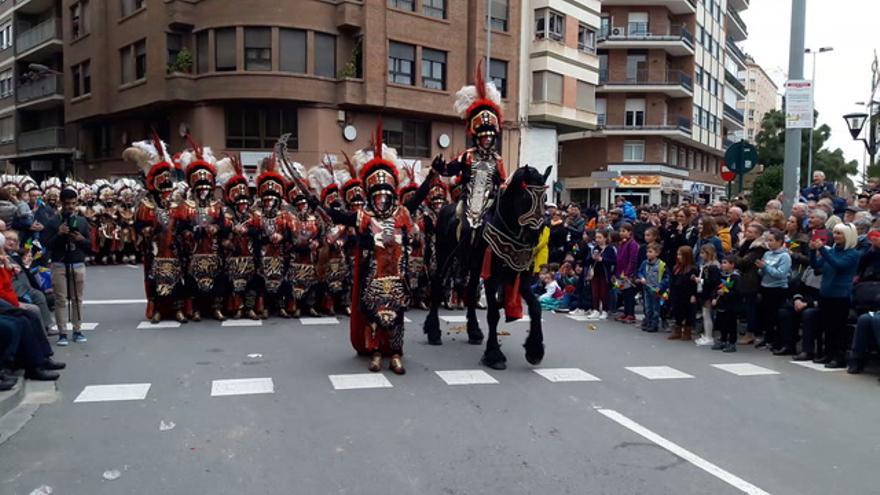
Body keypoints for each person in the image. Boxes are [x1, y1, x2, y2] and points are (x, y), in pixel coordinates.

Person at [177, 137, 226, 322]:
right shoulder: (187, 205)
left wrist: (216, 228)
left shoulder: (216, 206)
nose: (204, 191)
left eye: (207, 188)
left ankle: (216, 308)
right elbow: (181, 227)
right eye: (201, 188)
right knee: (193, 280)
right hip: (194, 249)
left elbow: (223, 225)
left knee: (216, 278)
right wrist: (189, 232)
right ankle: (196, 309)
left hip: (212, 248)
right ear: (195, 189)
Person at [43, 188, 90, 346]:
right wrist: (59, 233)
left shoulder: (82, 221)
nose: (70, 206)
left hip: (77, 263)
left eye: (73, 203)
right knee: (60, 299)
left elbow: (90, 246)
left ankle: (77, 330)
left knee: (77, 299)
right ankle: (63, 333)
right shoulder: (53, 221)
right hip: (59, 264)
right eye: (67, 203)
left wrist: (81, 239)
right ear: (61, 203)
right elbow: (47, 245)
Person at [810, 222, 859, 368]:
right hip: (826, 292)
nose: (836, 236)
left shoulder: (853, 254)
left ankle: (839, 356)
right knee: (827, 326)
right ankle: (828, 353)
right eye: (835, 233)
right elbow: (816, 266)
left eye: (840, 233)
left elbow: (839, 265)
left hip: (841, 295)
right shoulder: (831, 251)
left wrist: (823, 250)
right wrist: (813, 251)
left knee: (838, 327)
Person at [755, 228, 792, 351]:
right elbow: (762, 272)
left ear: (780, 241)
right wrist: (761, 269)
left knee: (776, 316)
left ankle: (777, 341)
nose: (769, 243)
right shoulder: (767, 254)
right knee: (767, 316)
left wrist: (765, 267)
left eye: (771, 240)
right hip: (766, 287)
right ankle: (768, 337)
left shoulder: (784, 256)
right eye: (767, 241)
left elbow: (780, 274)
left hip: (778, 289)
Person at [733, 223, 767, 345]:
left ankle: (750, 333)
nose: (747, 233)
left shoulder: (759, 248)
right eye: (747, 231)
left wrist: (736, 254)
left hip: (751, 280)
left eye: (751, 232)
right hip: (744, 278)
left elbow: (743, 262)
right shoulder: (747, 244)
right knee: (746, 307)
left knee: (750, 308)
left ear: (758, 235)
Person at [668, 246, 699, 341]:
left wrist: (694, 295)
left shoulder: (693, 269)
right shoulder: (676, 268)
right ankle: (677, 330)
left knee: (688, 312)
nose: (678, 257)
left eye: (680, 255)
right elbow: (672, 280)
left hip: (688, 294)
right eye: (678, 254)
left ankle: (687, 331)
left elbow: (694, 284)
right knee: (677, 311)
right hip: (677, 293)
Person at [711, 255, 740, 352]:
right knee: (721, 323)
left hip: (731, 305)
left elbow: (737, 292)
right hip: (721, 303)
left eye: (725, 263)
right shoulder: (721, 276)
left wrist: (726, 292)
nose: (722, 265)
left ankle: (732, 343)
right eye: (722, 262)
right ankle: (723, 340)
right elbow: (716, 288)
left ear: (732, 265)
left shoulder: (735, 278)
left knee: (731, 325)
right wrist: (715, 297)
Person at [636, 242, 667, 333]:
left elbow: (666, 278)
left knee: (655, 308)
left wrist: (661, 287)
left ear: (657, 253)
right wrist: (641, 278)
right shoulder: (644, 263)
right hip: (646, 288)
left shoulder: (661, 265)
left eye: (650, 252)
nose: (648, 254)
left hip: (656, 290)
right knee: (648, 306)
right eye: (647, 252)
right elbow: (640, 272)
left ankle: (654, 324)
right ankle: (648, 322)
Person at [694, 244, 721, 346]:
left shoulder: (713, 266)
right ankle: (706, 334)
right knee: (705, 314)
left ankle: (709, 336)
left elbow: (713, 281)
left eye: (703, 253)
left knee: (707, 314)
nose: (701, 255)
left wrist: (700, 280)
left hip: (709, 292)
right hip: (704, 291)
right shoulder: (706, 265)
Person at [587, 229, 615, 320]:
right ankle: (595, 309)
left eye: (600, 237)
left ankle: (605, 310)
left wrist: (602, 259)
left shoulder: (609, 249)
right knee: (595, 292)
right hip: (595, 273)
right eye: (596, 237)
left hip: (605, 274)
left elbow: (613, 261)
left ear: (606, 238)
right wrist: (592, 258)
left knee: (604, 293)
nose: (597, 239)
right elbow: (587, 261)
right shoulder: (594, 248)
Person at [614, 223, 639, 324]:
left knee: (629, 294)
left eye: (624, 231)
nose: (621, 233)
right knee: (624, 294)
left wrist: (628, 273)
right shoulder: (622, 243)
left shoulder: (632, 244)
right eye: (620, 231)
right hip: (621, 272)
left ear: (630, 232)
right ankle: (626, 312)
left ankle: (631, 314)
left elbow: (632, 260)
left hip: (627, 274)